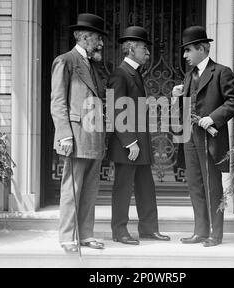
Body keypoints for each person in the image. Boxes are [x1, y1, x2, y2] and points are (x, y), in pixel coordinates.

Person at [172, 26, 234, 247]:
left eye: (188, 51)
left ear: (201, 49)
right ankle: (200, 232)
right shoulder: (188, 75)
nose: (185, 56)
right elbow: (184, 109)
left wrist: (212, 118)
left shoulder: (222, 72)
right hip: (190, 138)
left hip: (210, 138)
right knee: (195, 185)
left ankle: (216, 234)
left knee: (212, 186)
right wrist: (176, 98)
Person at [107, 26, 170, 245]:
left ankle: (149, 229)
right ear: (131, 49)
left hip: (139, 143)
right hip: (129, 144)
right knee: (123, 188)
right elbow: (116, 110)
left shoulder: (134, 74)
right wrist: (130, 142)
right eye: (145, 48)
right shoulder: (120, 74)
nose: (148, 53)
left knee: (146, 187)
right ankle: (119, 231)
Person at [50, 13, 108, 253]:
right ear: (84, 37)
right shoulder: (66, 61)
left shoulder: (92, 65)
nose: (101, 43)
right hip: (75, 136)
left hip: (94, 136)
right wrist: (64, 135)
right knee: (71, 189)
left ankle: (85, 235)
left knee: (90, 190)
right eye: (97, 38)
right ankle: (66, 238)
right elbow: (58, 101)